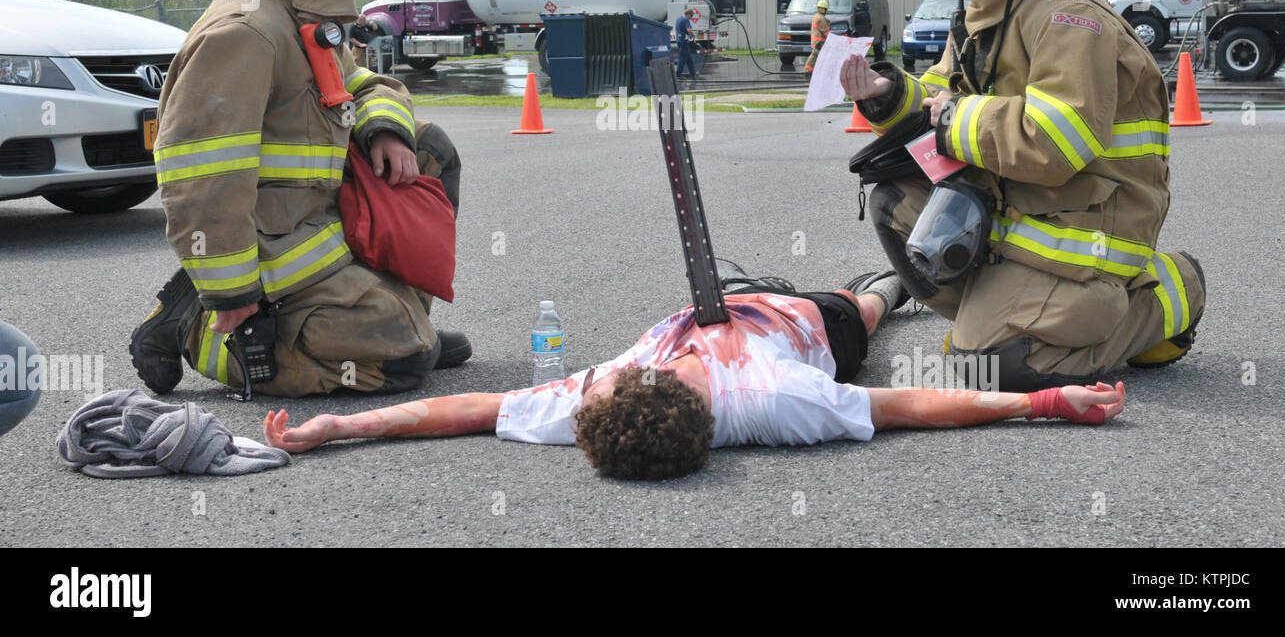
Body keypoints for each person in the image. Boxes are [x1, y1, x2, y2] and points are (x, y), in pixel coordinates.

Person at [840, 0, 1206, 392]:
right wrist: (886, 94)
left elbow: (1053, 143)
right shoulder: (988, 12)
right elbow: (938, 99)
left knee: (993, 363)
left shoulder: (1067, 15)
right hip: (1026, 213)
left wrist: (951, 118)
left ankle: (1165, 295)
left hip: (1090, 225)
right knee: (894, 201)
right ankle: (1009, 313)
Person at [131, 0, 469, 399]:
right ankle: (201, 328)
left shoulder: (301, 4)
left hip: (317, 217)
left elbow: (362, 83)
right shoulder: (246, 31)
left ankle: (398, 322)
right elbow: (200, 178)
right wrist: (233, 293)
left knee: (430, 147)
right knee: (406, 363)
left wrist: (384, 129)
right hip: (278, 248)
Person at [262, 272, 1127, 479]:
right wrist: (1048, 399)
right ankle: (891, 281)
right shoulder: (781, 402)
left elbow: (466, 408)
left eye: (641, 371)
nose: (661, 365)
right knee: (865, 310)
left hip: (716, 289)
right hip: (802, 322)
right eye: (670, 372)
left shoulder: (592, 401)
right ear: (697, 402)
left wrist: (339, 426)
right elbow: (916, 404)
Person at [805, 0, 831, 73]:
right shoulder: (821, 18)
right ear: (825, 9)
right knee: (817, 56)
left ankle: (810, 70)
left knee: (816, 56)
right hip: (819, 42)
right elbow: (825, 32)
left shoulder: (816, 16)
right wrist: (832, 39)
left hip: (816, 41)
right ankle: (808, 71)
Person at [675, 7, 697, 79]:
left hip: (679, 39)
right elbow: (689, 30)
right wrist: (692, 35)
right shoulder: (686, 20)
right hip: (683, 41)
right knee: (682, 58)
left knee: (689, 58)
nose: (691, 18)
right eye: (691, 16)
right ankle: (678, 74)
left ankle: (693, 73)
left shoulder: (678, 19)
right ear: (688, 14)